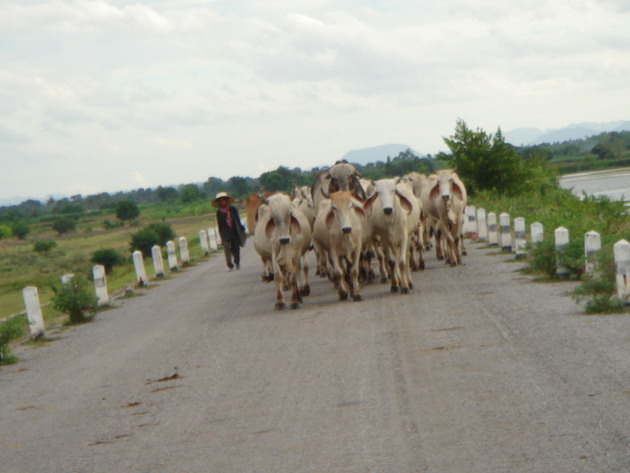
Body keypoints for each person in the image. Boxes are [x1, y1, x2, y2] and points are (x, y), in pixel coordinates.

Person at [212, 192, 246, 271]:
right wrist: (221, 236)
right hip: (225, 232)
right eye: (220, 200)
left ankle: (237, 262)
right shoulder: (219, 212)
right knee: (226, 249)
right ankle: (230, 265)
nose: (222, 202)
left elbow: (237, 220)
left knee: (236, 249)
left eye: (224, 200)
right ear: (218, 202)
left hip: (234, 231)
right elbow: (219, 224)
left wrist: (241, 229)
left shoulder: (233, 209)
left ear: (227, 200)